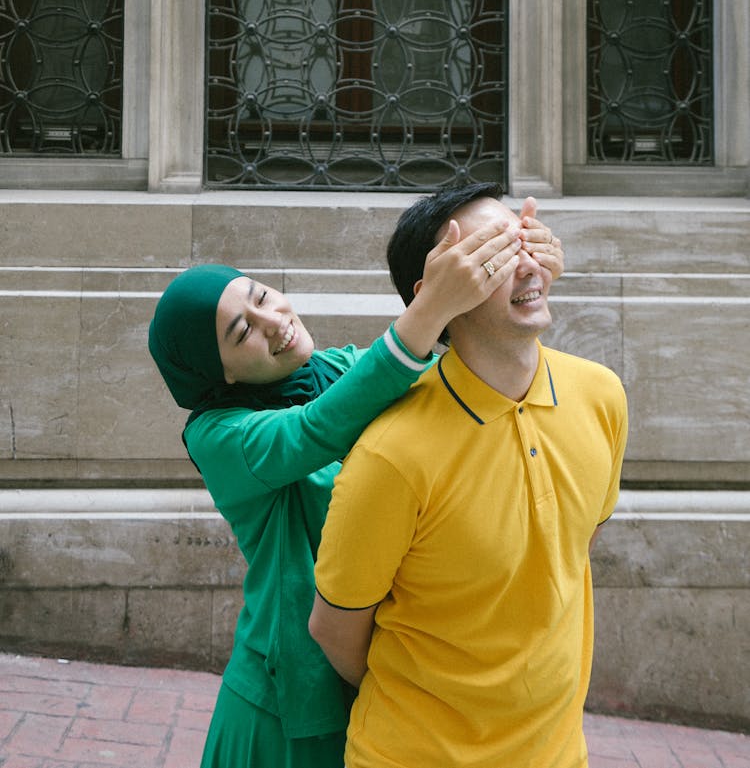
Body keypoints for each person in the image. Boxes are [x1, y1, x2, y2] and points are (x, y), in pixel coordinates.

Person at [147, 197, 563, 768]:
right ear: (219, 373)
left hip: (392, 677)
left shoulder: (344, 369)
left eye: (263, 297)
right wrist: (432, 304)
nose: (274, 323)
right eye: (242, 331)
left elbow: (460, 372)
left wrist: (525, 279)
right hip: (289, 704)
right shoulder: (221, 436)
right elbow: (318, 428)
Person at [310, 182, 628, 768]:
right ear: (438, 291)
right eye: (493, 256)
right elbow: (335, 630)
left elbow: (570, 552)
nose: (527, 264)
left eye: (524, 240)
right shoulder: (392, 454)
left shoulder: (601, 396)